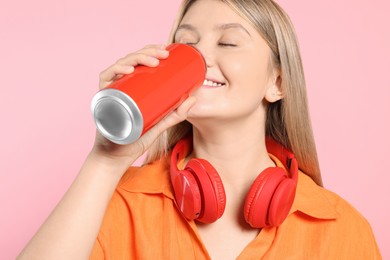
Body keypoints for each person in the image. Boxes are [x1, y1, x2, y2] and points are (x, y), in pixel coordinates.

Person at [18, 0, 381, 259]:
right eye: (187, 43)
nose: (201, 57)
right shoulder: (116, 203)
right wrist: (105, 159)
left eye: (228, 42)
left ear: (279, 82)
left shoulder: (341, 228)